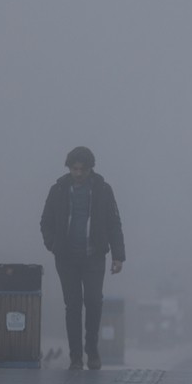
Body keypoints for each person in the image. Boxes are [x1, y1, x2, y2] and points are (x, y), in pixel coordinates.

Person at [40, 146, 125, 371]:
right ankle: (76, 356)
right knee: (73, 305)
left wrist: (118, 256)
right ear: (69, 168)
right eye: (74, 169)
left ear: (90, 169)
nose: (78, 173)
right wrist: (53, 245)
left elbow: (114, 223)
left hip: (93, 256)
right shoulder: (58, 190)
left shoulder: (103, 190)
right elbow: (45, 221)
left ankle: (92, 349)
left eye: (82, 170)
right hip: (66, 258)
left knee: (94, 301)